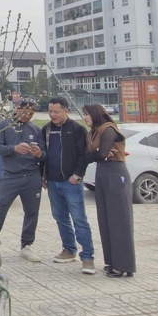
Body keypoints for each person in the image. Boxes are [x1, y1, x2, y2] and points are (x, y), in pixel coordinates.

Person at [0, 96, 46, 264]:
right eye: (26, 111)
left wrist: (39, 154)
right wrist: (14, 149)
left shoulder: (35, 129)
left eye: (32, 112)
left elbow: (44, 154)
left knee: (32, 212)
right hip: (11, 176)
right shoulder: (4, 125)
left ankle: (27, 245)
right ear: (16, 109)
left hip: (32, 175)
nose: (29, 115)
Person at [42, 97, 96, 274]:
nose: (52, 115)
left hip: (71, 182)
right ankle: (68, 249)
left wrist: (77, 175)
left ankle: (87, 257)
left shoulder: (76, 130)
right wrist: (43, 176)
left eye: (56, 112)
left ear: (66, 111)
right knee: (60, 217)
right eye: (50, 111)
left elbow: (84, 155)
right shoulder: (47, 129)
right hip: (52, 181)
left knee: (79, 219)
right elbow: (44, 154)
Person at [82, 103, 136, 278]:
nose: (85, 118)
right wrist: (97, 153)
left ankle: (123, 265)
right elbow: (94, 154)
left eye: (87, 114)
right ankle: (112, 262)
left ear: (96, 114)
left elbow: (100, 154)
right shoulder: (94, 133)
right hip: (102, 173)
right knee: (105, 219)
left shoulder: (109, 129)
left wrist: (98, 153)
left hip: (115, 173)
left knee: (119, 220)